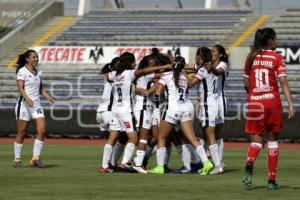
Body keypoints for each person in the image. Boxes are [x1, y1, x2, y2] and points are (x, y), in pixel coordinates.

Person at [100, 52, 172, 173]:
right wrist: (166, 66)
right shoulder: (130, 73)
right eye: (134, 61)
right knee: (134, 138)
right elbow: (144, 72)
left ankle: (104, 166)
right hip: (126, 111)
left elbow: (106, 75)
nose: (135, 64)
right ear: (130, 62)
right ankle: (125, 163)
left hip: (115, 110)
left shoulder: (114, 74)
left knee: (112, 139)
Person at [242, 27, 294, 190]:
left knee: (256, 140)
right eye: (276, 38)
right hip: (272, 102)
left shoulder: (250, 58)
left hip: (255, 103)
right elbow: (283, 81)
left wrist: (253, 96)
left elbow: (246, 83)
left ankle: (250, 161)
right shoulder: (277, 57)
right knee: (272, 141)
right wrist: (290, 103)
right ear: (270, 40)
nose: (277, 41)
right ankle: (271, 181)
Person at [148, 56, 213, 175]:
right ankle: (206, 163)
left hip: (172, 109)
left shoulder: (166, 76)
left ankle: (160, 167)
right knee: (192, 139)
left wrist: (157, 108)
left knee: (161, 137)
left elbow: (157, 93)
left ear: (172, 65)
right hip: (186, 108)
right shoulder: (185, 77)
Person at [184, 47, 223, 175]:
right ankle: (216, 165)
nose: (195, 58)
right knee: (208, 135)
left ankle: (217, 166)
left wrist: (183, 75)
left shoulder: (203, 69)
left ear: (200, 57)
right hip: (213, 104)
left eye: (197, 55)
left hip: (207, 105)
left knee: (210, 135)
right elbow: (191, 67)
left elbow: (190, 84)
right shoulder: (210, 67)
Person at [14, 50, 54, 168]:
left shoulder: (38, 72)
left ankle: (35, 158)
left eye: (37, 57)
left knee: (42, 129)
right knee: (22, 132)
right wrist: (27, 98)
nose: (36, 59)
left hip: (36, 106)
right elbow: (20, 88)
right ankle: (17, 160)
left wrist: (47, 97)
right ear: (27, 59)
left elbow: (40, 89)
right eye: (34, 57)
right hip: (24, 105)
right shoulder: (22, 71)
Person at [208, 44, 229, 169]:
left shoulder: (223, 65)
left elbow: (218, 72)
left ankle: (219, 161)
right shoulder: (208, 64)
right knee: (208, 132)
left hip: (219, 101)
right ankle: (214, 160)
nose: (212, 53)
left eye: (214, 51)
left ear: (220, 54)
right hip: (209, 101)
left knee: (218, 133)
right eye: (211, 51)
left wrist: (209, 67)